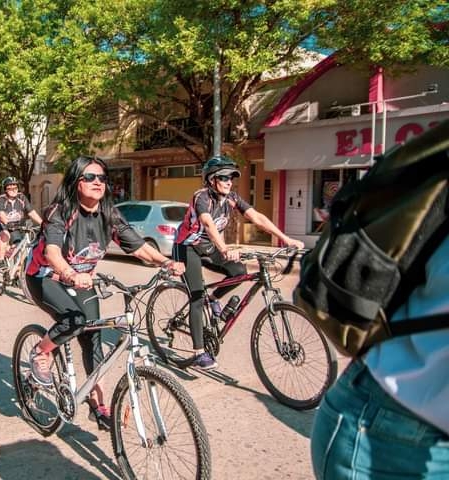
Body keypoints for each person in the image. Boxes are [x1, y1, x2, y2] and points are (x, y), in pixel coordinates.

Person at [25, 155, 185, 430]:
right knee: (73, 321)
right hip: (45, 276)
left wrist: (167, 262)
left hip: (82, 280)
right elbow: (52, 252)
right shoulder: (60, 211)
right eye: (89, 177)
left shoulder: (109, 213)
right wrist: (71, 274)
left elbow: (138, 247)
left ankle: (98, 406)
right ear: (76, 182)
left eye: (101, 177)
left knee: (93, 338)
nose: (97, 182)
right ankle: (41, 351)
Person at [311, 235, 449, 479]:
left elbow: (256, 217)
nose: (227, 192)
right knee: (232, 271)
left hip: (407, 416)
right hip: (392, 425)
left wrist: (284, 239)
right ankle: (216, 306)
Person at [174, 155, 304, 369]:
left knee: (240, 272)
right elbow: (207, 223)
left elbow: (257, 217)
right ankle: (199, 352)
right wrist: (224, 248)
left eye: (231, 177)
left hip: (210, 247)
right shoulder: (202, 197)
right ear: (211, 179)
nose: (229, 181)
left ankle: (214, 298)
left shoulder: (232, 198)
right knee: (197, 296)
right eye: (224, 177)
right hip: (187, 247)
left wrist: (286, 238)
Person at [0, 176, 43, 271]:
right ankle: (1, 261)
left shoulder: (21, 197)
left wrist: (43, 223)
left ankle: (16, 274)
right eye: (9, 188)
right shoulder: (1, 199)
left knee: (19, 246)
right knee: (5, 235)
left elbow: (31, 212)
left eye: (15, 188)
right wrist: (6, 221)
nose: (13, 190)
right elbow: (1, 213)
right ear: (5, 190)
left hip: (14, 226)